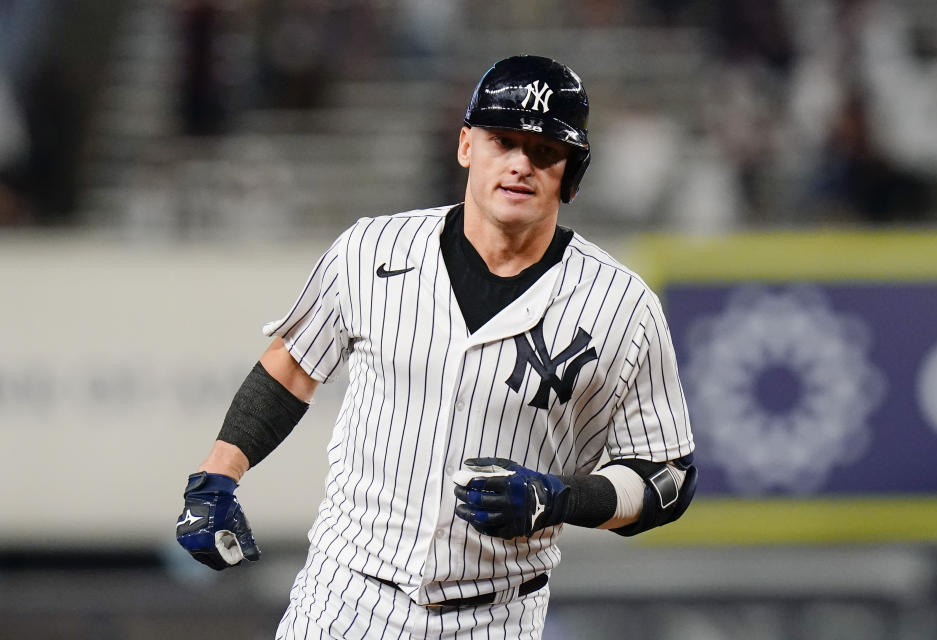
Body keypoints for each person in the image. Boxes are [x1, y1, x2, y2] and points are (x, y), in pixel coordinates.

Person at [175, 55, 697, 639]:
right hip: (345, 595)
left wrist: (561, 499)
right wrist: (215, 476)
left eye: (545, 150)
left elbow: (665, 481)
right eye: (503, 140)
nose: (520, 164)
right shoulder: (371, 249)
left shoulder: (621, 305)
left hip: (497, 612)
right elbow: (292, 366)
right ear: (466, 146)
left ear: (572, 175)